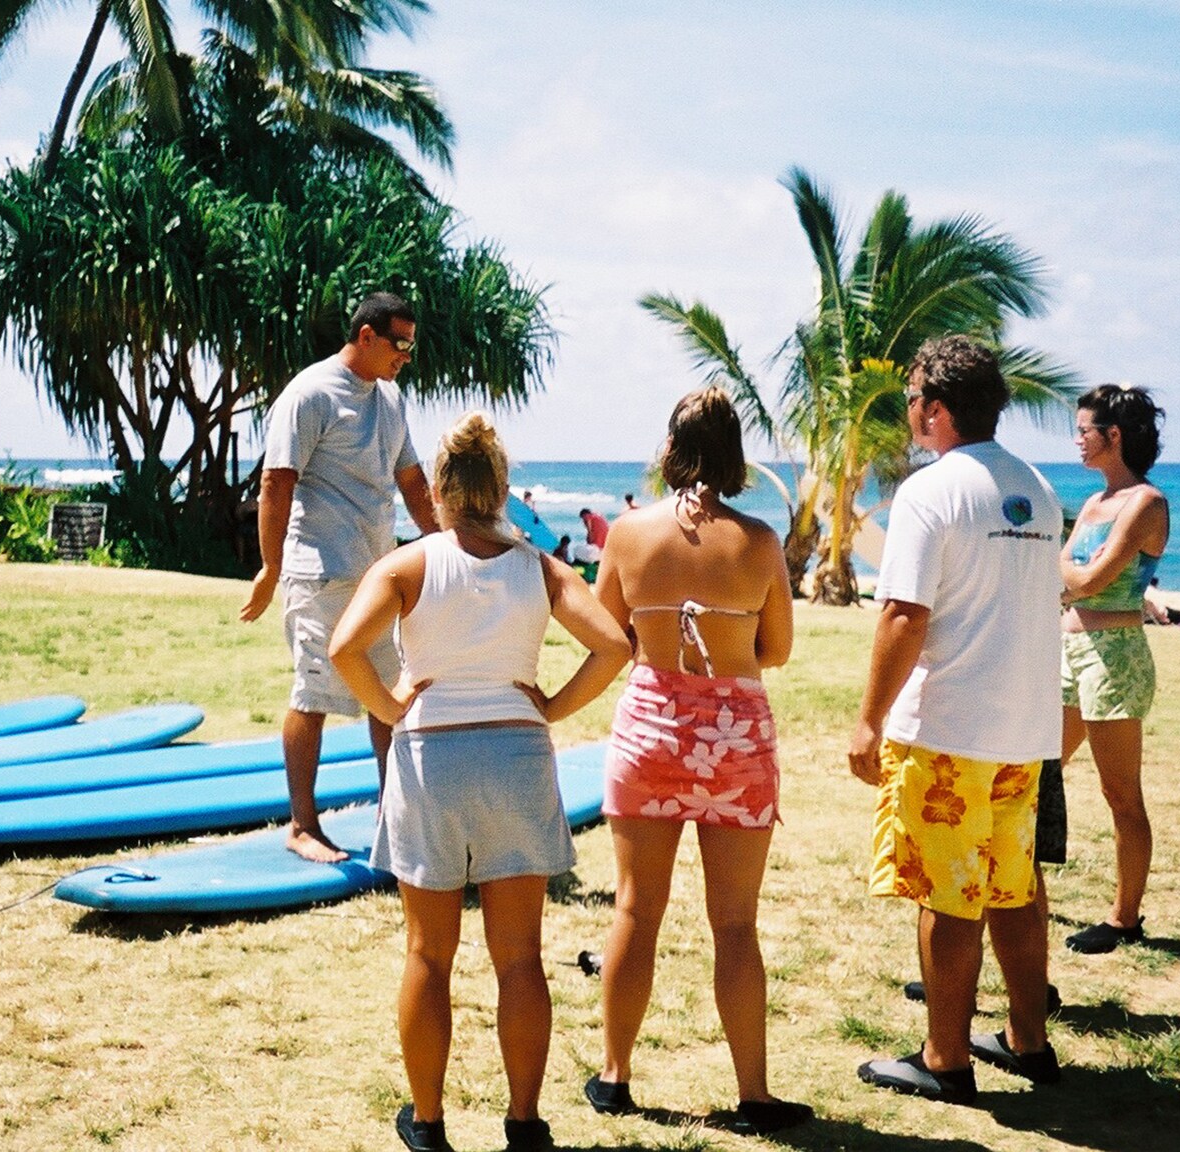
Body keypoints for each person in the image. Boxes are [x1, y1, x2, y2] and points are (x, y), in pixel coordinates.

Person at [330, 413, 631, 1152]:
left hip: (432, 759)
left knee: (428, 954)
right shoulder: (539, 567)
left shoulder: (407, 566)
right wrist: (550, 705)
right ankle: (524, 1123)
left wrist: (393, 708)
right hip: (517, 758)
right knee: (520, 957)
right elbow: (613, 645)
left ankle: (429, 1123)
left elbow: (344, 649)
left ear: (437, 491)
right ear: (502, 492)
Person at [583, 388, 812, 1134]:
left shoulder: (628, 534)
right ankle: (754, 1095)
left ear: (671, 449)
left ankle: (614, 1077)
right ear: (735, 453)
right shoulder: (760, 541)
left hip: (650, 731)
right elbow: (776, 649)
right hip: (736, 740)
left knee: (634, 910)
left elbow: (606, 635)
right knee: (736, 924)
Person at [849, 335, 1064, 1105]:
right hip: (1022, 727)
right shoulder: (1037, 488)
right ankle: (1028, 1038)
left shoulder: (930, 491)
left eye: (913, 399)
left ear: (936, 409)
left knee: (947, 893)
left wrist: (869, 720)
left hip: (949, 725)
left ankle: (944, 1058)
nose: (910, 412)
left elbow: (905, 615)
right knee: (1013, 886)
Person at [240, 292, 439, 863]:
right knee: (313, 696)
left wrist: (448, 542)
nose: (406, 356)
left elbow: (412, 481)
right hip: (319, 573)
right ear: (366, 336)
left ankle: (392, 813)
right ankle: (302, 825)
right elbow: (276, 482)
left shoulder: (391, 399)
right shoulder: (310, 394)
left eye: (411, 346)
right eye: (399, 344)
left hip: (378, 574)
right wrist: (271, 568)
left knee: (388, 695)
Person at [1057, 385, 1171, 954]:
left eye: (1084, 430)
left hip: (1115, 656)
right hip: (1069, 652)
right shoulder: (1095, 502)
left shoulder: (1146, 503)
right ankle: (1014, 892)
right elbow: (1072, 577)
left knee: (1120, 792)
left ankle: (1125, 919)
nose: (1077, 440)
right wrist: (1069, 575)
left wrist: (1063, 568)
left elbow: (1088, 580)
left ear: (1114, 435)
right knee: (1035, 773)